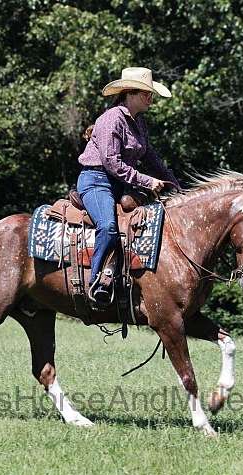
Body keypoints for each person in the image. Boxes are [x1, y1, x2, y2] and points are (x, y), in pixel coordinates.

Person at [77, 67, 180, 305]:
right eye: (146, 93)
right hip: (97, 181)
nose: (150, 98)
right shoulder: (111, 119)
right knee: (109, 227)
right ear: (130, 93)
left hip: (120, 184)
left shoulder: (139, 122)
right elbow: (111, 162)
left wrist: (174, 183)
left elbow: (150, 157)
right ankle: (95, 283)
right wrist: (147, 181)